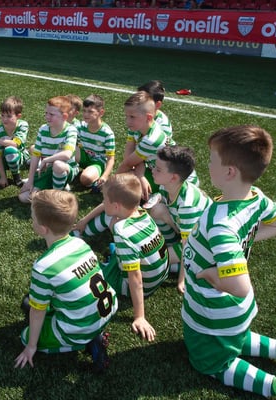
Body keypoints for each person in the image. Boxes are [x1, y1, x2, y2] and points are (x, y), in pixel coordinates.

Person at [182, 125, 276, 400]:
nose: (207, 164)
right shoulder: (256, 197)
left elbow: (239, 286)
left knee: (211, 362)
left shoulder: (220, 223)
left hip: (214, 309)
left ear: (229, 172)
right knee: (231, 339)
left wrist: (213, 275)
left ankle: (275, 385)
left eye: (212, 160)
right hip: (234, 313)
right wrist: (240, 244)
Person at [14, 190, 117, 372]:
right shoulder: (81, 243)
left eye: (33, 218)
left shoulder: (43, 266)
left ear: (43, 229)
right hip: (107, 309)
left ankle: (88, 342)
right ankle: (91, 333)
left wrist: (31, 346)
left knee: (26, 334)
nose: (31, 220)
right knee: (30, 302)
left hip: (79, 327)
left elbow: (37, 313)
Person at [74, 174, 169, 342]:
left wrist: (139, 316)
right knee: (110, 218)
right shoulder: (142, 213)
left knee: (86, 271)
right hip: (158, 276)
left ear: (116, 205)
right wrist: (85, 220)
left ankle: (77, 239)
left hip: (135, 285)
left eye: (104, 198)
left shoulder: (123, 232)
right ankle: (80, 233)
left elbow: (135, 278)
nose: (102, 201)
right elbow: (107, 207)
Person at [149, 145, 212, 293]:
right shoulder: (167, 186)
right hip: (187, 232)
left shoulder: (188, 204)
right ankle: (172, 253)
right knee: (157, 210)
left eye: (158, 169)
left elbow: (189, 245)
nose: (152, 170)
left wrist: (182, 280)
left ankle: (194, 268)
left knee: (155, 261)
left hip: (202, 243)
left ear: (174, 177)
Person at [116, 91, 198, 203]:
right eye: (126, 116)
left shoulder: (151, 139)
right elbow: (131, 158)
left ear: (148, 117)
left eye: (132, 117)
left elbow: (128, 163)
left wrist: (110, 184)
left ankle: (158, 195)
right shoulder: (138, 127)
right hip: (159, 171)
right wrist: (140, 175)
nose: (127, 121)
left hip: (179, 181)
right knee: (127, 181)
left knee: (124, 186)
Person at [18, 96, 79, 204]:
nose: (47, 117)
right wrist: (30, 180)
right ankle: (56, 190)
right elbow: (36, 155)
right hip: (46, 169)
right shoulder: (43, 129)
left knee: (58, 165)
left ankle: (57, 196)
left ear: (64, 116)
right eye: (46, 113)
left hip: (66, 168)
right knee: (23, 197)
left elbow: (67, 154)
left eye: (51, 114)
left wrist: (46, 160)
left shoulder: (71, 130)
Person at [0, 96, 30, 189]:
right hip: (3, 159)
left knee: (10, 150)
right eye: (2, 115)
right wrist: (3, 177)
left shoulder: (23, 125)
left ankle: (17, 178)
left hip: (20, 155)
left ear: (18, 116)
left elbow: (15, 144)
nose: (4, 119)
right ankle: (4, 172)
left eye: (9, 116)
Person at [76, 94, 116, 191]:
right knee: (68, 145)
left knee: (85, 179)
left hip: (98, 162)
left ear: (101, 113)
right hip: (84, 156)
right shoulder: (80, 126)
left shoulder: (107, 133)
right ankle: (70, 170)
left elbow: (111, 158)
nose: (85, 114)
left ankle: (94, 178)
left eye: (90, 111)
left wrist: (105, 176)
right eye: (84, 111)